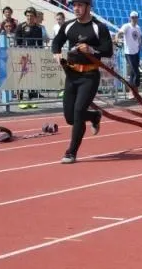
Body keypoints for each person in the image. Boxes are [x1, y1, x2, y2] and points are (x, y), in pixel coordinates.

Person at [51, 0, 113, 164]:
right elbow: (57, 41)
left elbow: (108, 50)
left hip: (89, 76)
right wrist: (56, 53)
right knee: (70, 118)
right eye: (74, 5)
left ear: (88, 7)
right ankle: (94, 116)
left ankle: (71, 152)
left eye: (80, 5)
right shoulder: (69, 26)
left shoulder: (99, 27)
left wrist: (92, 50)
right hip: (71, 74)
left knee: (78, 112)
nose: (76, 9)